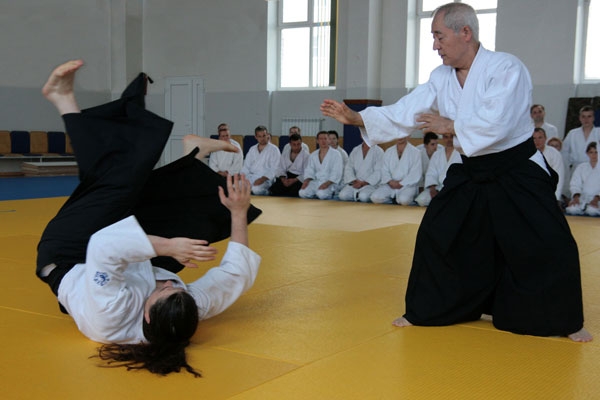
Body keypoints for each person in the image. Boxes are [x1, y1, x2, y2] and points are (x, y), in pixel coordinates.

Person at [320, 3, 591, 341]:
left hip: (515, 167)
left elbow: (498, 122)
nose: (435, 45)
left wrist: (449, 125)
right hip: (470, 169)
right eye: (433, 37)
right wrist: (358, 117)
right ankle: (431, 308)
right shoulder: (440, 77)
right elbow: (408, 110)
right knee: (438, 232)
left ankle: (563, 320)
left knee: (548, 239)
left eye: (439, 36)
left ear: (466, 33)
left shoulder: (507, 68)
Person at [36, 60, 264, 377]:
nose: (170, 282)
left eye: (164, 289)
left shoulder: (110, 315)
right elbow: (237, 274)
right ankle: (193, 155)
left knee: (117, 185)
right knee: (208, 217)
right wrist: (238, 212)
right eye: (177, 287)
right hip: (127, 265)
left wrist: (169, 247)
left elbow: (104, 245)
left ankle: (63, 100)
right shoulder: (185, 309)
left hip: (69, 254)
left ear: (145, 313)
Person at [370, 137, 422, 205]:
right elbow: (384, 170)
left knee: (404, 200)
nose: (400, 137)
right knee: (375, 197)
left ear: (408, 136)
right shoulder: (389, 151)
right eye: (397, 135)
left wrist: (401, 183)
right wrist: (390, 181)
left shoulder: (416, 152)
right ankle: (392, 201)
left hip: (407, 186)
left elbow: (415, 173)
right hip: (390, 185)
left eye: (402, 135)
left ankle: (408, 201)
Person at [415, 133, 462, 207]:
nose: (449, 140)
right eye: (446, 137)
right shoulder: (437, 154)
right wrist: (432, 189)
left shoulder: (460, 154)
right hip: (438, 188)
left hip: (453, 189)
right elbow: (431, 173)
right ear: (443, 138)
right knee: (421, 200)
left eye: (451, 137)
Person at [299, 130, 343, 200]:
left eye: (325, 139)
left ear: (328, 140)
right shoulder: (313, 155)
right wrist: (306, 181)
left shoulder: (336, 154)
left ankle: (332, 194)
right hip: (317, 181)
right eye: (321, 139)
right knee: (302, 192)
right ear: (317, 141)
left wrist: (327, 183)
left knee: (321, 194)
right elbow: (309, 170)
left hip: (330, 183)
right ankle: (315, 194)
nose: (323, 141)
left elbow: (337, 172)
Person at [240, 125, 281, 195]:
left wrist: (262, 179)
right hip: (251, 176)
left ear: (267, 135)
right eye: (259, 136)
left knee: (256, 189)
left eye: (264, 135)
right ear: (255, 137)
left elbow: (275, 168)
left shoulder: (274, 149)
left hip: (266, 178)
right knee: (236, 186)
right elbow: (246, 166)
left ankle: (268, 192)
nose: (262, 138)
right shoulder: (252, 149)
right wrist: (242, 176)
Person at [269, 133, 310, 197]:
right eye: (294, 144)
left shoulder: (306, 155)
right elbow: (280, 168)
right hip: (287, 176)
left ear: (301, 143)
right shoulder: (285, 153)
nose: (296, 147)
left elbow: (307, 173)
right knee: (274, 189)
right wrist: (283, 179)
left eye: (298, 144)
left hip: (298, 178)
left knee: (294, 191)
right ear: (290, 144)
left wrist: (294, 180)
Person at [566, 142, 600, 216]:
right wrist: (576, 198)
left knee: (592, 211)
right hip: (582, 197)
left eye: (596, 152)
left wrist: (596, 199)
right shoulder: (581, 167)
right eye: (591, 152)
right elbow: (575, 184)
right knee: (572, 209)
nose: (594, 155)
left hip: (597, 199)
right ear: (587, 153)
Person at [532, 127, 566, 202]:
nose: (537, 141)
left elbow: (559, 175)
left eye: (540, 137)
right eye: (534, 138)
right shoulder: (527, 154)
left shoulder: (554, 154)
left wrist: (556, 197)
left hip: (549, 191)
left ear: (545, 138)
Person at [562, 106, 600, 172]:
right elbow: (564, 151)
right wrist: (566, 166)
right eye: (583, 116)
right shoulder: (572, 133)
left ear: (593, 118)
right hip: (576, 167)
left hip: (595, 167)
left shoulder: (598, 132)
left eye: (589, 116)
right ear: (580, 118)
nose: (586, 119)